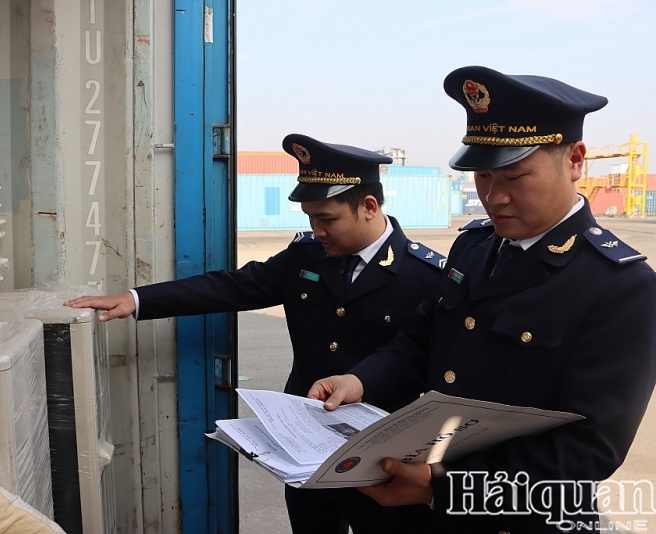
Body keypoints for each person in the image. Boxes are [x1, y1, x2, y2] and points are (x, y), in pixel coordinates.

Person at [309, 65, 656, 533]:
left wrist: (444, 487)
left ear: (574, 160)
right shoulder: (474, 247)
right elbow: (420, 340)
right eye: (482, 177)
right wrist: (361, 381)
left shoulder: (622, 287)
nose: (493, 198)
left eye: (513, 176)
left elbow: (586, 452)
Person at [65, 133, 446, 533]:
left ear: (368, 206)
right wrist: (138, 298)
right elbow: (232, 286)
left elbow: (432, 365)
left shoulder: (426, 277)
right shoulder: (305, 258)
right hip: (304, 454)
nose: (317, 230)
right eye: (311, 219)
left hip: (385, 458)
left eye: (327, 218)